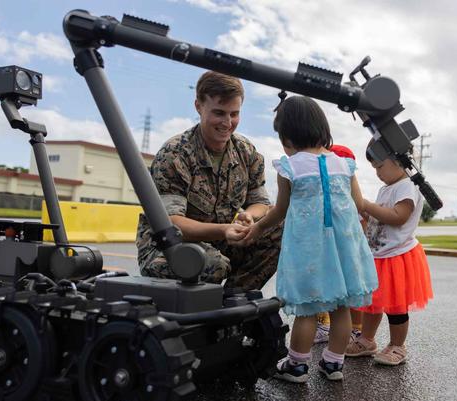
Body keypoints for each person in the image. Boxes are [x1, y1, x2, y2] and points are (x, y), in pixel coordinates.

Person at [242, 96, 378, 382]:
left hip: (309, 251)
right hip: (344, 250)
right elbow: (358, 205)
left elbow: (279, 211)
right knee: (342, 307)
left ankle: (297, 366)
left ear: (289, 135)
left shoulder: (290, 168)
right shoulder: (344, 164)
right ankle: (333, 365)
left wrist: (257, 228)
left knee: (307, 309)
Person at [135, 71, 282, 291]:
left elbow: (260, 201)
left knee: (280, 230)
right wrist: (224, 229)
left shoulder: (245, 151)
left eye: (234, 114)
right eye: (219, 113)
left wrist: (249, 216)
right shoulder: (175, 154)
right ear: (198, 106)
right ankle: (195, 318)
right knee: (212, 264)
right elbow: (172, 223)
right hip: (167, 245)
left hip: (221, 240)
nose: (227, 123)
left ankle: (234, 305)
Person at [346, 152, 433, 366]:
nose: (378, 173)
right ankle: (367, 340)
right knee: (373, 303)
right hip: (379, 255)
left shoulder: (407, 186)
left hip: (398, 256)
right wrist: (362, 212)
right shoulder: (385, 188)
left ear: (399, 161)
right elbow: (379, 218)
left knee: (396, 307)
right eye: (374, 168)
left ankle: (397, 345)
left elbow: (397, 217)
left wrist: (366, 205)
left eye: (380, 166)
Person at [313, 144, 365, 345]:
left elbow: (363, 225)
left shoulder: (350, 201)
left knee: (352, 296)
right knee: (329, 292)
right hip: (332, 252)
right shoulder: (332, 198)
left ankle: (357, 330)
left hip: (348, 253)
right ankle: (325, 325)